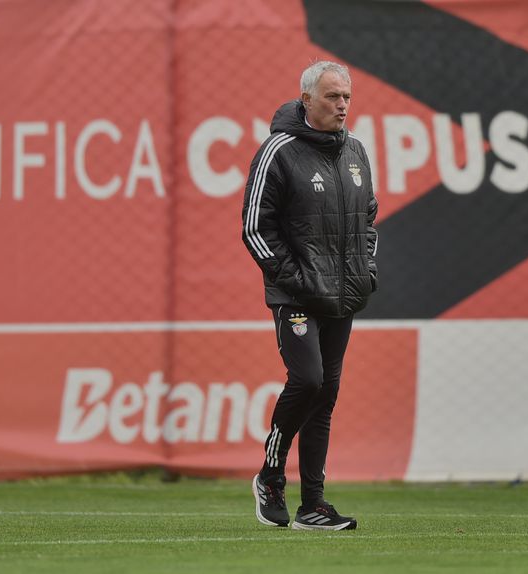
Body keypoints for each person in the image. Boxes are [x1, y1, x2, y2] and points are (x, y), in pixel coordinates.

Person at [241, 60, 378, 531]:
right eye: (332, 97)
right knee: (309, 380)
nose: (342, 106)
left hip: (342, 296)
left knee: (327, 395)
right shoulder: (278, 151)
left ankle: (312, 506)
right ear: (306, 100)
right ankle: (270, 476)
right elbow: (255, 228)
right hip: (296, 294)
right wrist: (293, 277)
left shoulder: (356, 151)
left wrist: (367, 269)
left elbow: (368, 222)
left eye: (346, 98)